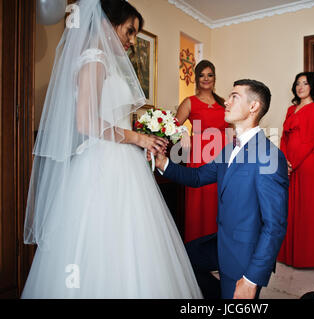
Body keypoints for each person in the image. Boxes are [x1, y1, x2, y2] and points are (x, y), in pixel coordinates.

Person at [21, 0, 202, 298]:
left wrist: (140, 137)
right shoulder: (94, 59)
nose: (132, 40)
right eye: (129, 31)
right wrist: (138, 138)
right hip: (102, 164)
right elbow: (86, 121)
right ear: (106, 22)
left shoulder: (101, 60)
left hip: (118, 161)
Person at [154, 79, 289, 299]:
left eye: (234, 96)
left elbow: (274, 226)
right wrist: (163, 164)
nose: (226, 101)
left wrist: (251, 279)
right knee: (183, 258)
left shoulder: (270, 156)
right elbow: (198, 176)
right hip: (222, 242)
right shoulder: (229, 149)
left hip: (244, 255)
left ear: (253, 107)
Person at [175, 60, 229, 243]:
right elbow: (172, 126)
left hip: (223, 158)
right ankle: (197, 249)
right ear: (197, 79)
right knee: (200, 203)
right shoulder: (189, 102)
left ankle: (220, 249)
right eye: (202, 75)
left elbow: (233, 129)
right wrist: (183, 132)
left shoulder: (223, 102)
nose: (206, 79)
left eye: (210, 75)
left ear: (214, 78)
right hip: (200, 158)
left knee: (220, 201)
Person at [277, 72, 314, 268]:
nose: (300, 87)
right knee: (288, 208)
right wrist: (283, 161)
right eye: (298, 83)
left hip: (307, 164)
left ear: (312, 86)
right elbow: (284, 137)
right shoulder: (291, 109)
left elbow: (309, 139)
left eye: (305, 83)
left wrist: (293, 163)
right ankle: (288, 255)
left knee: (306, 208)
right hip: (290, 165)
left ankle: (306, 258)